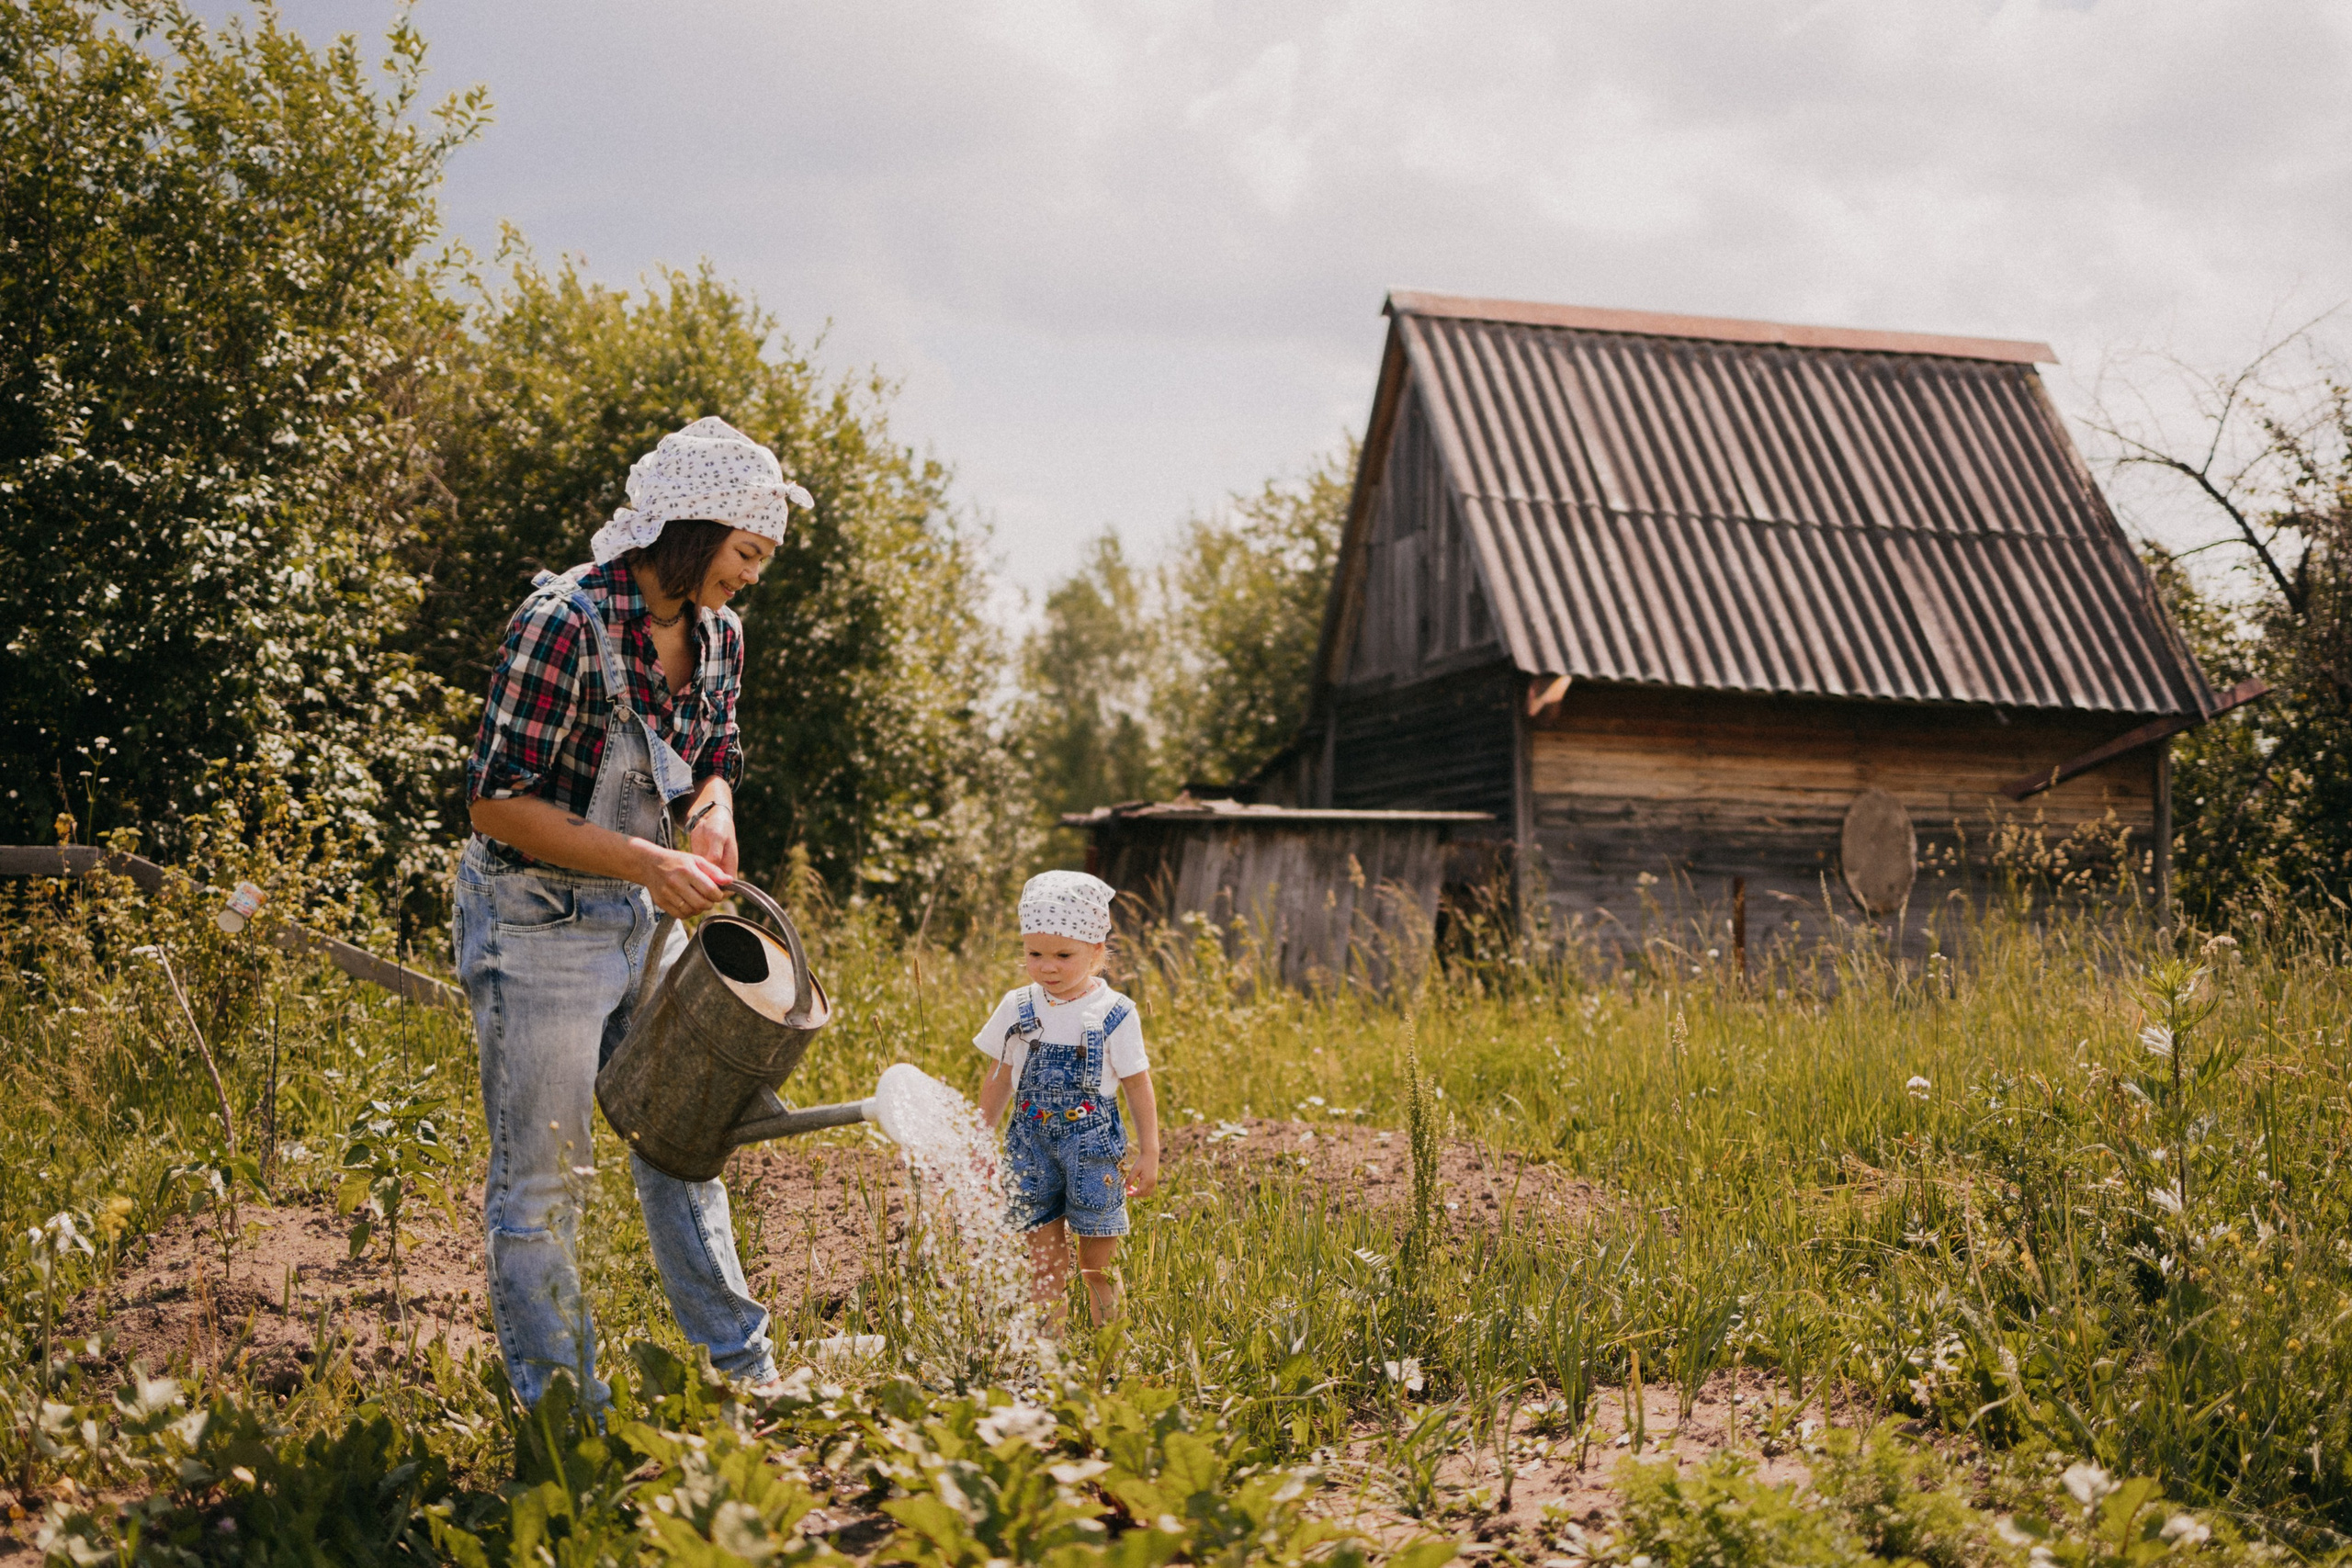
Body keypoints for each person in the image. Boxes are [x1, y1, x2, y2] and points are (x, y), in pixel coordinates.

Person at [452, 416, 812, 1410]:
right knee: (544, 1184)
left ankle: (747, 1372)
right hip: (537, 920)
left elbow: (715, 757)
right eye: (746, 553)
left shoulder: (720, 635)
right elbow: (496, 802)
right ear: (691, 530)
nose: (752, 577)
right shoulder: (562, 620)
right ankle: (567, 1419)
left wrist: (713, 810)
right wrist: (649, 860)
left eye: (764, 559)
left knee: (684, 1139)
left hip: (645, 921)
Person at [973, 871, 1161, 1331]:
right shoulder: (1018, 1006)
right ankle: (1049, 1350)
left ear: (1096, 951)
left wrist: (1151, 1150)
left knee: (1097, 1260)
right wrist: (978, 1138)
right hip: (1029, 1145)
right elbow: (998, 1077)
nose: (1047, 966)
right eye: (1034, 954)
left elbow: (1138, 1083)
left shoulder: (1114, 1012)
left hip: (1092, 1146)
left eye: (1063, 954)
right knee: (1043, 1261)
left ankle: (1105, 1348)